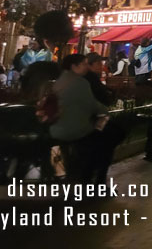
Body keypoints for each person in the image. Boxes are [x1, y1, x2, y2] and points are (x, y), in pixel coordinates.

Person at [50, 55, 117, 184]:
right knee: (108, 138)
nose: (87, 67)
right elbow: (94, 106)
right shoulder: (81, 82)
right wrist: (105, 111)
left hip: (55, 126)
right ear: (74, 66)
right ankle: (96, 179)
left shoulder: (60, 80)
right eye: (84, 64)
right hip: (75, 129)